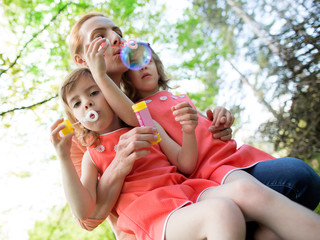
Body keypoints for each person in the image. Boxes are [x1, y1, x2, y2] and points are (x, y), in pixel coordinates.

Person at [68, 12, 320, 239]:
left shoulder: (144, 99)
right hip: (162, 220)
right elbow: (88, 218)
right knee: (288, 183)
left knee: (293, 180)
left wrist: (211, 127)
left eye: (118, 32)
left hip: (196, 191)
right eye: (100, 36)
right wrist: (118, 165)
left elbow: (185, 147)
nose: (115, 38)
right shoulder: (88, 131)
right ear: (82, 59)